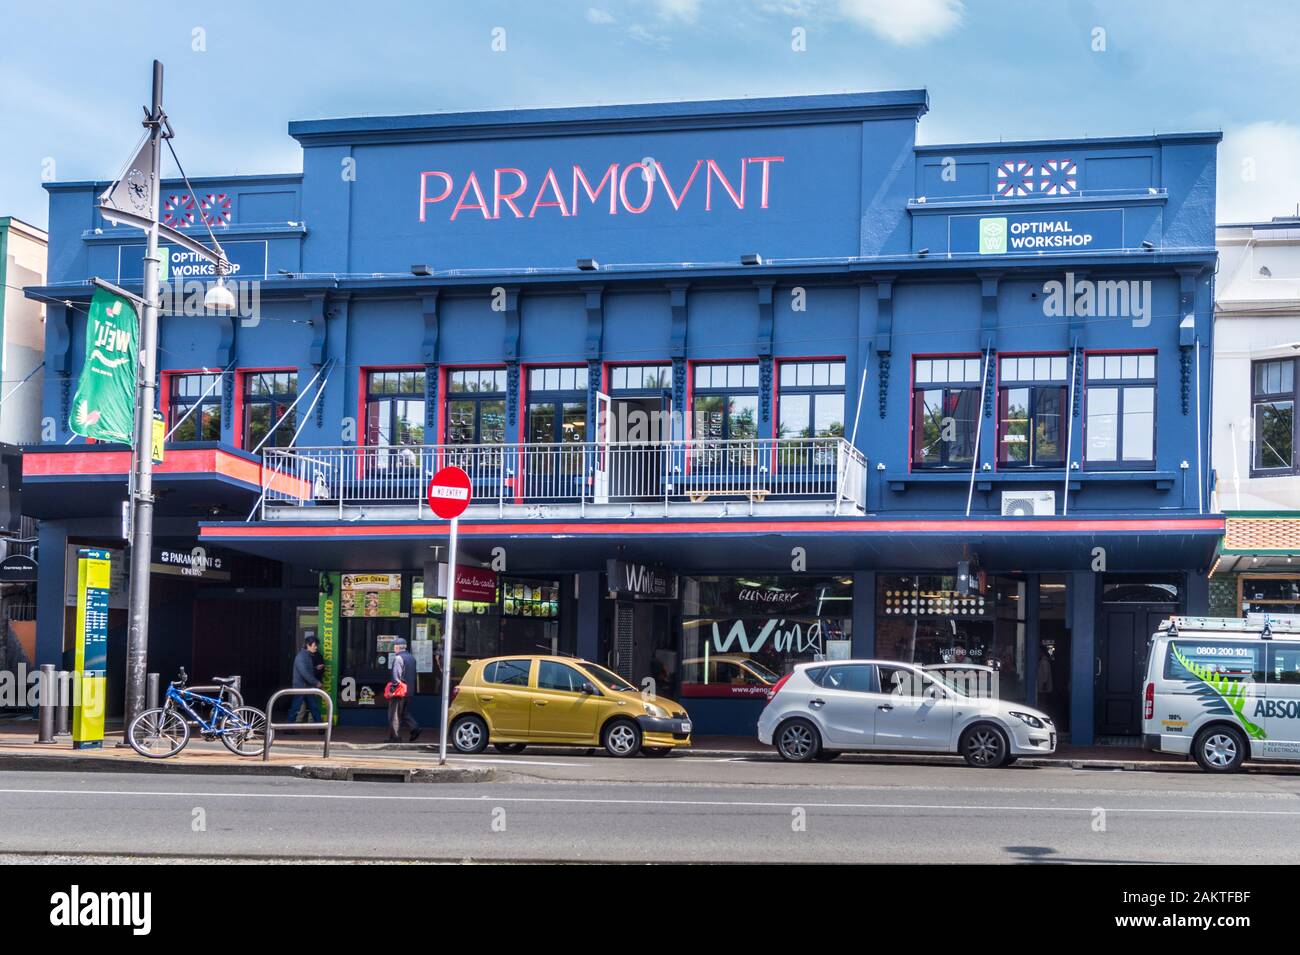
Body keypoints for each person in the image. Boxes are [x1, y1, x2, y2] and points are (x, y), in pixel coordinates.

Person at [387, 636, 421, 743]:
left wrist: (392, 691)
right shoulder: (412, 658)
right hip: (409, 691)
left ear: (397, 647)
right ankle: (415, 727)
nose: (394, 648)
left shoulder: (398, 659)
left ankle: (395, 737)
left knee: (394, 714)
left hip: (399, 692)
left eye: (394, 646)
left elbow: (396, 677)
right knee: (404, 713)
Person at [290, 636, 323, 723]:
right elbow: (304, 673)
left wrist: (315, 668)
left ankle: (321, 727)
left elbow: (306, 670)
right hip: (301, 687)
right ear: (308, 645)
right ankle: (288, 728)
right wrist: (316, 682)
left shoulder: (306, 655)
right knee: (296, 708)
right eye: (314, 645)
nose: (316, 647)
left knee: (313, 707)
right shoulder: (301, 656)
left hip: (306, 687)